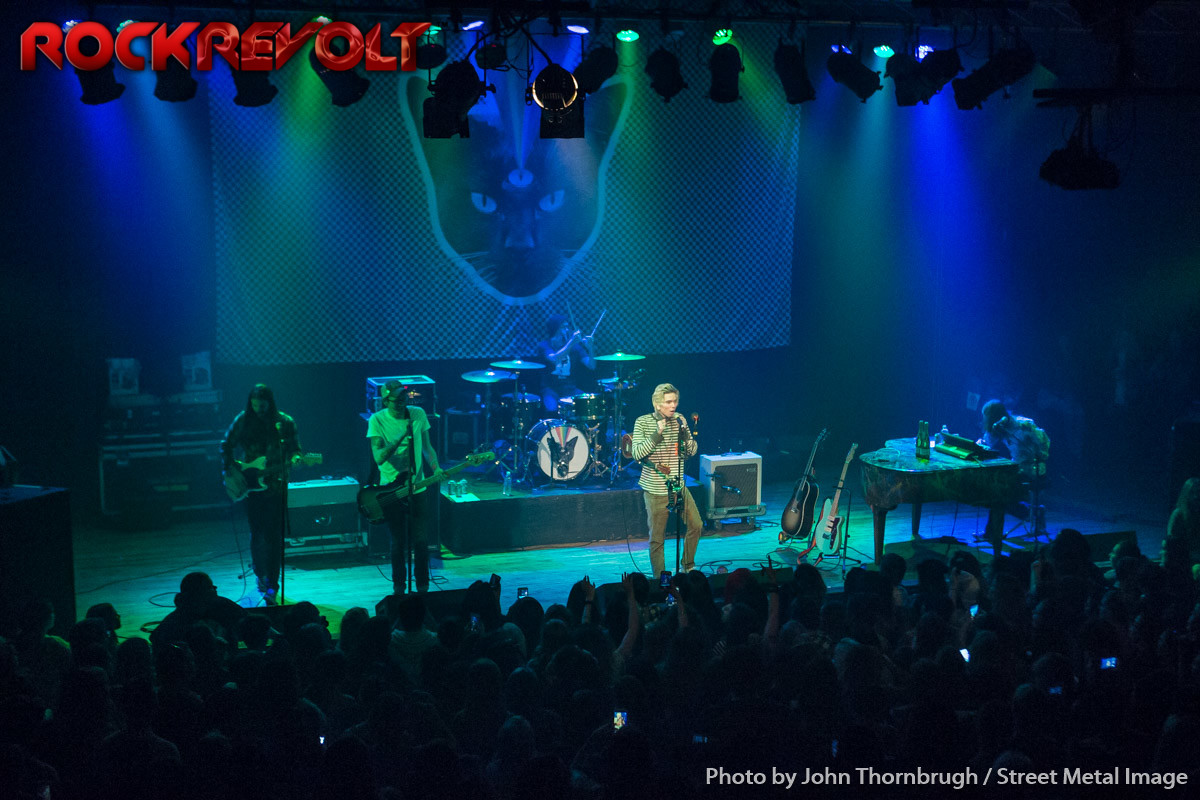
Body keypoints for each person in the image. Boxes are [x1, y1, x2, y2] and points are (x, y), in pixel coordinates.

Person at [221, 384, 301, 604]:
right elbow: (225, 445)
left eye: (262, 406)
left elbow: (295, 449)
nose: (258, 410)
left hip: (276, 486)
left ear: (270, 403)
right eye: (255, 406)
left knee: (275, 537)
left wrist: (296, 458)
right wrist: (230, 470)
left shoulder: (285, 422)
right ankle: (260, 574)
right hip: (251, 487)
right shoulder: (243, 419)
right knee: (257, 534)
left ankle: (273, 584)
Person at [367, 380, 444, 594]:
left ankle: (422, 587)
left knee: (421, 540)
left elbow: (427, 447)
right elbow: (379, 457)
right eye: (397, 399)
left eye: (404, 397)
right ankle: (399, 588)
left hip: (417, 488)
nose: (402, 402)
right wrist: (401, 435)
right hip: (390, 491)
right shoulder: (377, 420)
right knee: (398, 542)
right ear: (386, 401)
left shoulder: (417, 414)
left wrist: (436, 468)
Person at [629, 383, 702, 578]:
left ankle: (688, 565)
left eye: (675, 401)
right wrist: (657, 433)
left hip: (678, 485)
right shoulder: (643, 422)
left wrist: (687, 438)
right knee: (657, 538)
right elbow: (637, 454)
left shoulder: (680, 419)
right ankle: (660, 579)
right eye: (669, 402)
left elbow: (691, 452)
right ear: (657, 404)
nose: (673, 405)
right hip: (655, 489)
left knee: (696, 524)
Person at [977, 399, 1050, 553]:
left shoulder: (1024, 425)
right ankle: (1033, 512)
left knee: (999, 493)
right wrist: (974, 446)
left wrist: (1039, 454)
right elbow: (986, 443)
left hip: (1033, 469)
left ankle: (992, 532)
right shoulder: (1000, 428)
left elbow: (1044, 442)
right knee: (997, 492)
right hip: (1018, 466)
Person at [536, 314, 596, 414]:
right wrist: (571, 342)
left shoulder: (575, 347)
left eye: (568, 327)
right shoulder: (545, 345)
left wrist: (590, 348)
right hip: (550, 388)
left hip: (570, 388)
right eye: (563, 327)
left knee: (587, 404)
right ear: (555, 328)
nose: (567, 330)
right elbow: (554, 359)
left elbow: (591, 365)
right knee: (551, 410)